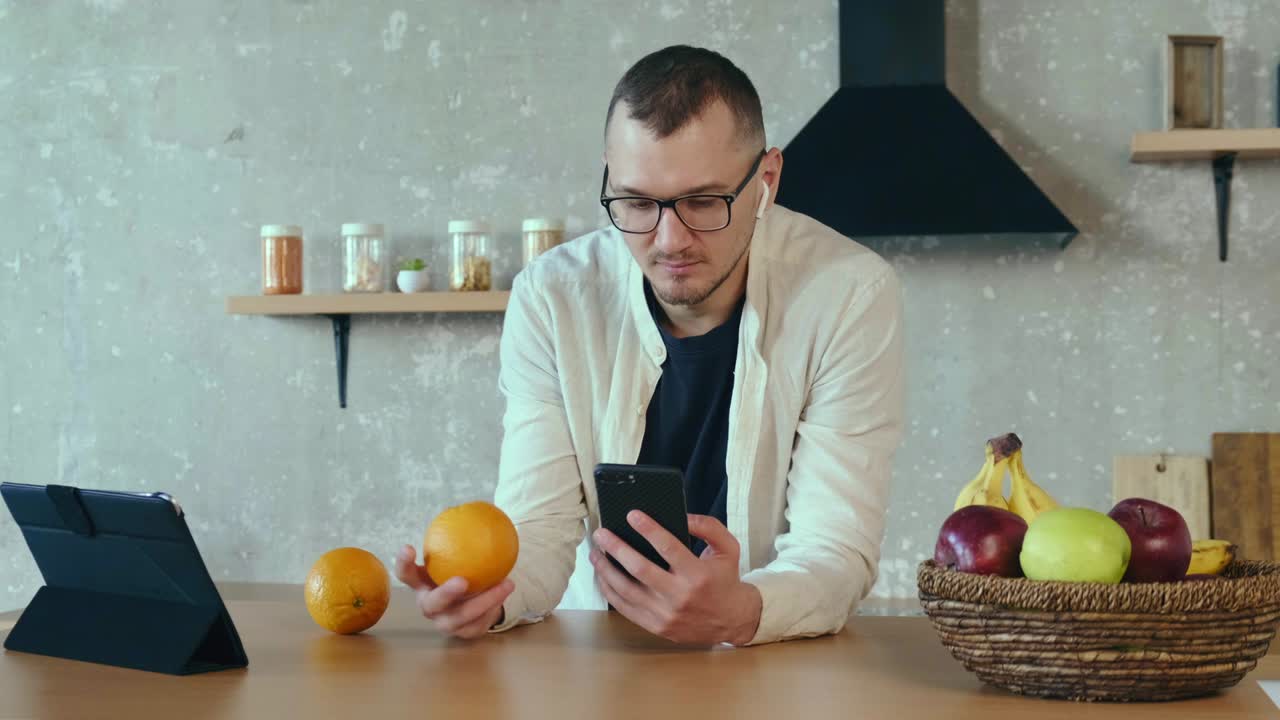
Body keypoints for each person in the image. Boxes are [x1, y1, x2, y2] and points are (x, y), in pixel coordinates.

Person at [395, 45, 904, 646]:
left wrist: (743, 610)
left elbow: (835, 550)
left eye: (703, 202)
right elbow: (539, 527)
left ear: (766, 181)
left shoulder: (848, 293)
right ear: (609, 177)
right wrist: (490, 597)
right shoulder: (553, 297)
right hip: (599, 661)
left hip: (770, 658)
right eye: (636, 203)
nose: (669, 240)